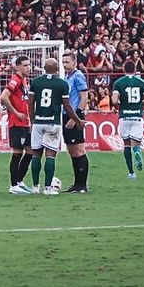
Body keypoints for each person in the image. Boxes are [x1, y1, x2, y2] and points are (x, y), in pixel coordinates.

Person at [29, 58, 81, 195]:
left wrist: (32, 120)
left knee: (36, 155)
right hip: (53, 122)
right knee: (50, 156)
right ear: (57, 69)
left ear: (44, 68)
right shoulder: (62, 84)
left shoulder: (36, 82)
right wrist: (77, 120)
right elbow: (67, 106)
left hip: (38, 122)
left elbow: (30, 103)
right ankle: (47, 188)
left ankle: (35, 187)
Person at [111, 60, 144, 180]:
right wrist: (140, 104)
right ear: (134, 69)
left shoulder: (118, 83)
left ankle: (131, 173)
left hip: (124, 116)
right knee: (136, 143)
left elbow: (114, 100)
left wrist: (120, 104)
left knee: (126, 144)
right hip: (137, 115)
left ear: (124, 69)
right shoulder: (142, 83)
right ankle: (137, 151)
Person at [1, 55, 34, 195]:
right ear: (18, 66)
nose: (28, 67)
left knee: (31, 151)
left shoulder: (24, 80)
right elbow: (3, 97)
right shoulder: (15, 80)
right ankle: (14, 185)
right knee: (17, 152)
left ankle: (19, 181)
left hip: (25, 123)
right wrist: (15, 112)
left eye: (29, 65)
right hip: (17, 123)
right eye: (25, 65)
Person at [61, 51, 91, 193]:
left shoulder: (78, 76)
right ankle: (77, 184)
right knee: (72, 150)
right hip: (67, 116)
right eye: (63, 62)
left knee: (79, 150)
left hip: (74, 116)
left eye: (67, 62)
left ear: (74, 62)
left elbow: (84, 98)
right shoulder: (68, 76)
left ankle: (83, 185)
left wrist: (76, 118)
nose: (65, 65)